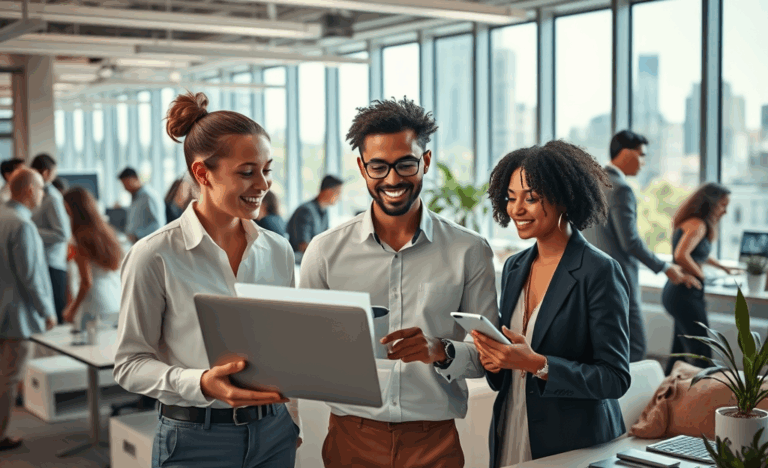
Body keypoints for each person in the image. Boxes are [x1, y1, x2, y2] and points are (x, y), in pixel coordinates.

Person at [300, 97, 498, 468]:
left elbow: (489, 357)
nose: (392, 179)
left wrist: (441, 350)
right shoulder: (325, 251)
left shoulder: (469, 250)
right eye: (378, 166)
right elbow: (301, 351)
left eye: (405, 164)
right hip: (350, 438)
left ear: (424, 161)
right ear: (362, 168)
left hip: (434, 442)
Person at [113, 92, 300, 468]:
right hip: (196, 439)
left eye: (268, 169)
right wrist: (199, 382)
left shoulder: (278, 250)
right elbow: (130, 364)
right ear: (203, 173)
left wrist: (290, 422)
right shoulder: (155, 255)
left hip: (273, 433)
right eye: (247, 172)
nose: (263, 184)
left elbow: (282, 347)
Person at [474, 141, 631, 465]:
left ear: (564, 198)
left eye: (530, 198)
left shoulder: (598, 271)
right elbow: (510, 364)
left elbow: (615, 378)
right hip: (512, 430)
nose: (517, 209)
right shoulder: (515, 266)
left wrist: (537, 364)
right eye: (511, 197)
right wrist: (496, 362)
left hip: (573, 444)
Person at [583, 130, 699, 363]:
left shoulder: (591, 183)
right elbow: (630, 242)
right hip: (620, 282)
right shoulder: (621, 189)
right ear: (625, 153)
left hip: (589, 280)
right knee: (635, 348)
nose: (644, 162)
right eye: (641, 155)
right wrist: (666, 268)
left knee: (602, 350)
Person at [0, 168, 57, 452]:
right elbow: (31, 276)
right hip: (15, 318)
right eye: (42, 189)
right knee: (8, 378)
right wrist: (47, 311)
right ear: (31, 190)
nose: (44, 195)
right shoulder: (22, 225)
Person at [663, 182, 734, 375]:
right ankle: (704, 397)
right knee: (702, 352)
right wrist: (701, 276)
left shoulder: (691, 222)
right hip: (684, 294)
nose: (725, 211)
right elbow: (681, 255)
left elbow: (698, 252)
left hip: (674, 292)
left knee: (678, 352)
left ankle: (664, 393)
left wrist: (722, 267)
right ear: (710, 204)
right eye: (722, 205)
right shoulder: (699, 225)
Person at [61, 187, 123, 330]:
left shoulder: (78, 240)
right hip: (114, 299)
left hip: (94, 303)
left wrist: (72, 309)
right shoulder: (106, 234)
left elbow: (86, 282)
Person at [30, 153, 72, 325]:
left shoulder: (53, 197)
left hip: (53, 262)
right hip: (43, 262)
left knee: (56, 315)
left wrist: (31, 231)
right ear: (46, 173)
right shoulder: (40, 194)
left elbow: (62, 234)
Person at [286, 174, 343, 262]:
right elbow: (303, 246)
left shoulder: (324, 212)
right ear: (328, 191)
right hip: (301, 262)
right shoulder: (305, 211)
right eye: (338, 193)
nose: (340, 198)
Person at [118, 166, 166, 242]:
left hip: (149, 244)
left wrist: (138, 235)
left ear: (135, 179)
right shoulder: (135, 197)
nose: (125, 188)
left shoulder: (149, 196)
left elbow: (159, 224)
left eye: (126, 184)